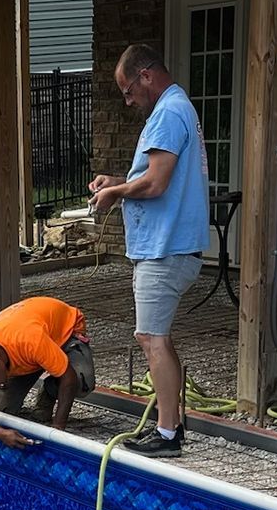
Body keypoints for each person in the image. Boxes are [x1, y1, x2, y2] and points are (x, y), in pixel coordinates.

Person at [88, 43, 210, 458]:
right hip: (172, 245)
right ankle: (170, 422)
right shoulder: (177, 109)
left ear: (146, 75)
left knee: (150, 338)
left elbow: (155, 185)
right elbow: (157, 177)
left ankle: (167, 433)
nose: (127, 100)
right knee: (158, 338)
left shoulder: (169, 112)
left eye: (127, 90)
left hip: (165, 248)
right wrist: (118, 180)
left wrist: (115, 194)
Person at [0, 296, 94, 450]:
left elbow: (69, 377)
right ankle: (48, 366)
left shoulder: (29, 340)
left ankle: (50, 391)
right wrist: (0, 433)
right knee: (2, 411)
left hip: (63, 332)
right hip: (31, 353)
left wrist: (57, 430)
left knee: (81, 382)